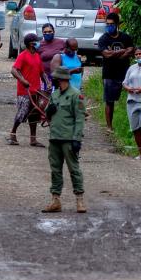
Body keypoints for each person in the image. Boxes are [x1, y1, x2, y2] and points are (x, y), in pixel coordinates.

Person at [42, 65, 86, 213]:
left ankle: (79, 200)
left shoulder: (75, 95)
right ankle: (55, 200)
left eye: (55, 79)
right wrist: (49, 111)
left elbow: (80, 119)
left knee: (74, 169)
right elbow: (47, 115)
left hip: (68, 138)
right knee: (55, 169)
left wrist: (77, 139)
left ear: (62, 79)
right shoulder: (54, 95)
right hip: (54, 137)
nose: (53, 81)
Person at [9, 32, 50, 146]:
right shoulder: (23, 55)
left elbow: (42, 72)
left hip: (36, 90)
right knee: (22, 113)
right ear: (31, 44)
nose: (39, 43)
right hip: (24, 91)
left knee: (35, 114)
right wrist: (23, 80)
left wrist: (47, 82)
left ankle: (33, 139)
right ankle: (12, 133)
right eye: (37, 41)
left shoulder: (37, 56)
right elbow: (14, 70)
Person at [97, 12, 134, 131]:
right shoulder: (103, 38)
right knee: (109, 101)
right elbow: (106, 54)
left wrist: (114, 54)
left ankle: (132, 125)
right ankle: (109, 127)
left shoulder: (126, 37)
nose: (109, 26)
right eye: (107, 24)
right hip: (109, 73)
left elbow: (131, 51)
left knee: (131, 98)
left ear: (117, 24)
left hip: (125, 72)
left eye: (111, 24)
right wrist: (122, 52)